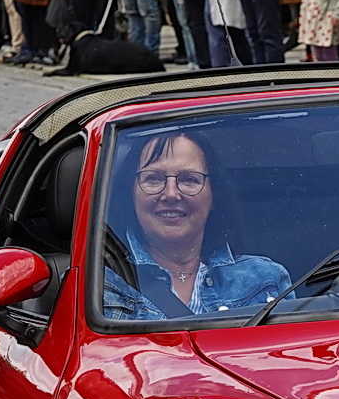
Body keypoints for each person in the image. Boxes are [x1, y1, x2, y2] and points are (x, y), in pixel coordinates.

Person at [103, 132, 291, 320]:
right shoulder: (98, 284)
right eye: (154, 178)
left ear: (214, 196)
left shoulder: (265, 280)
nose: (171, 194)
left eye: (188, 179)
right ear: (131, 193)